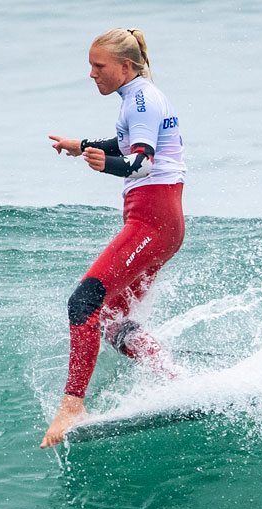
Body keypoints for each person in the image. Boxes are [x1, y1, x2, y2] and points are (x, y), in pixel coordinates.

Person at [41, 27, 187, 449]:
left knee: (83, 302)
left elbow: (140, 162)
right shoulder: (140, 98)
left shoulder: (141, 99)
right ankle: (172, 378)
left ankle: (72, 405)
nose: (91, 74)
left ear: (125, 67)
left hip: (151, 221)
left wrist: (106, 165)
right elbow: (128, 143)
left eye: (98, 66)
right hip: (160, 222)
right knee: (110, 319)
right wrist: (81, 145)